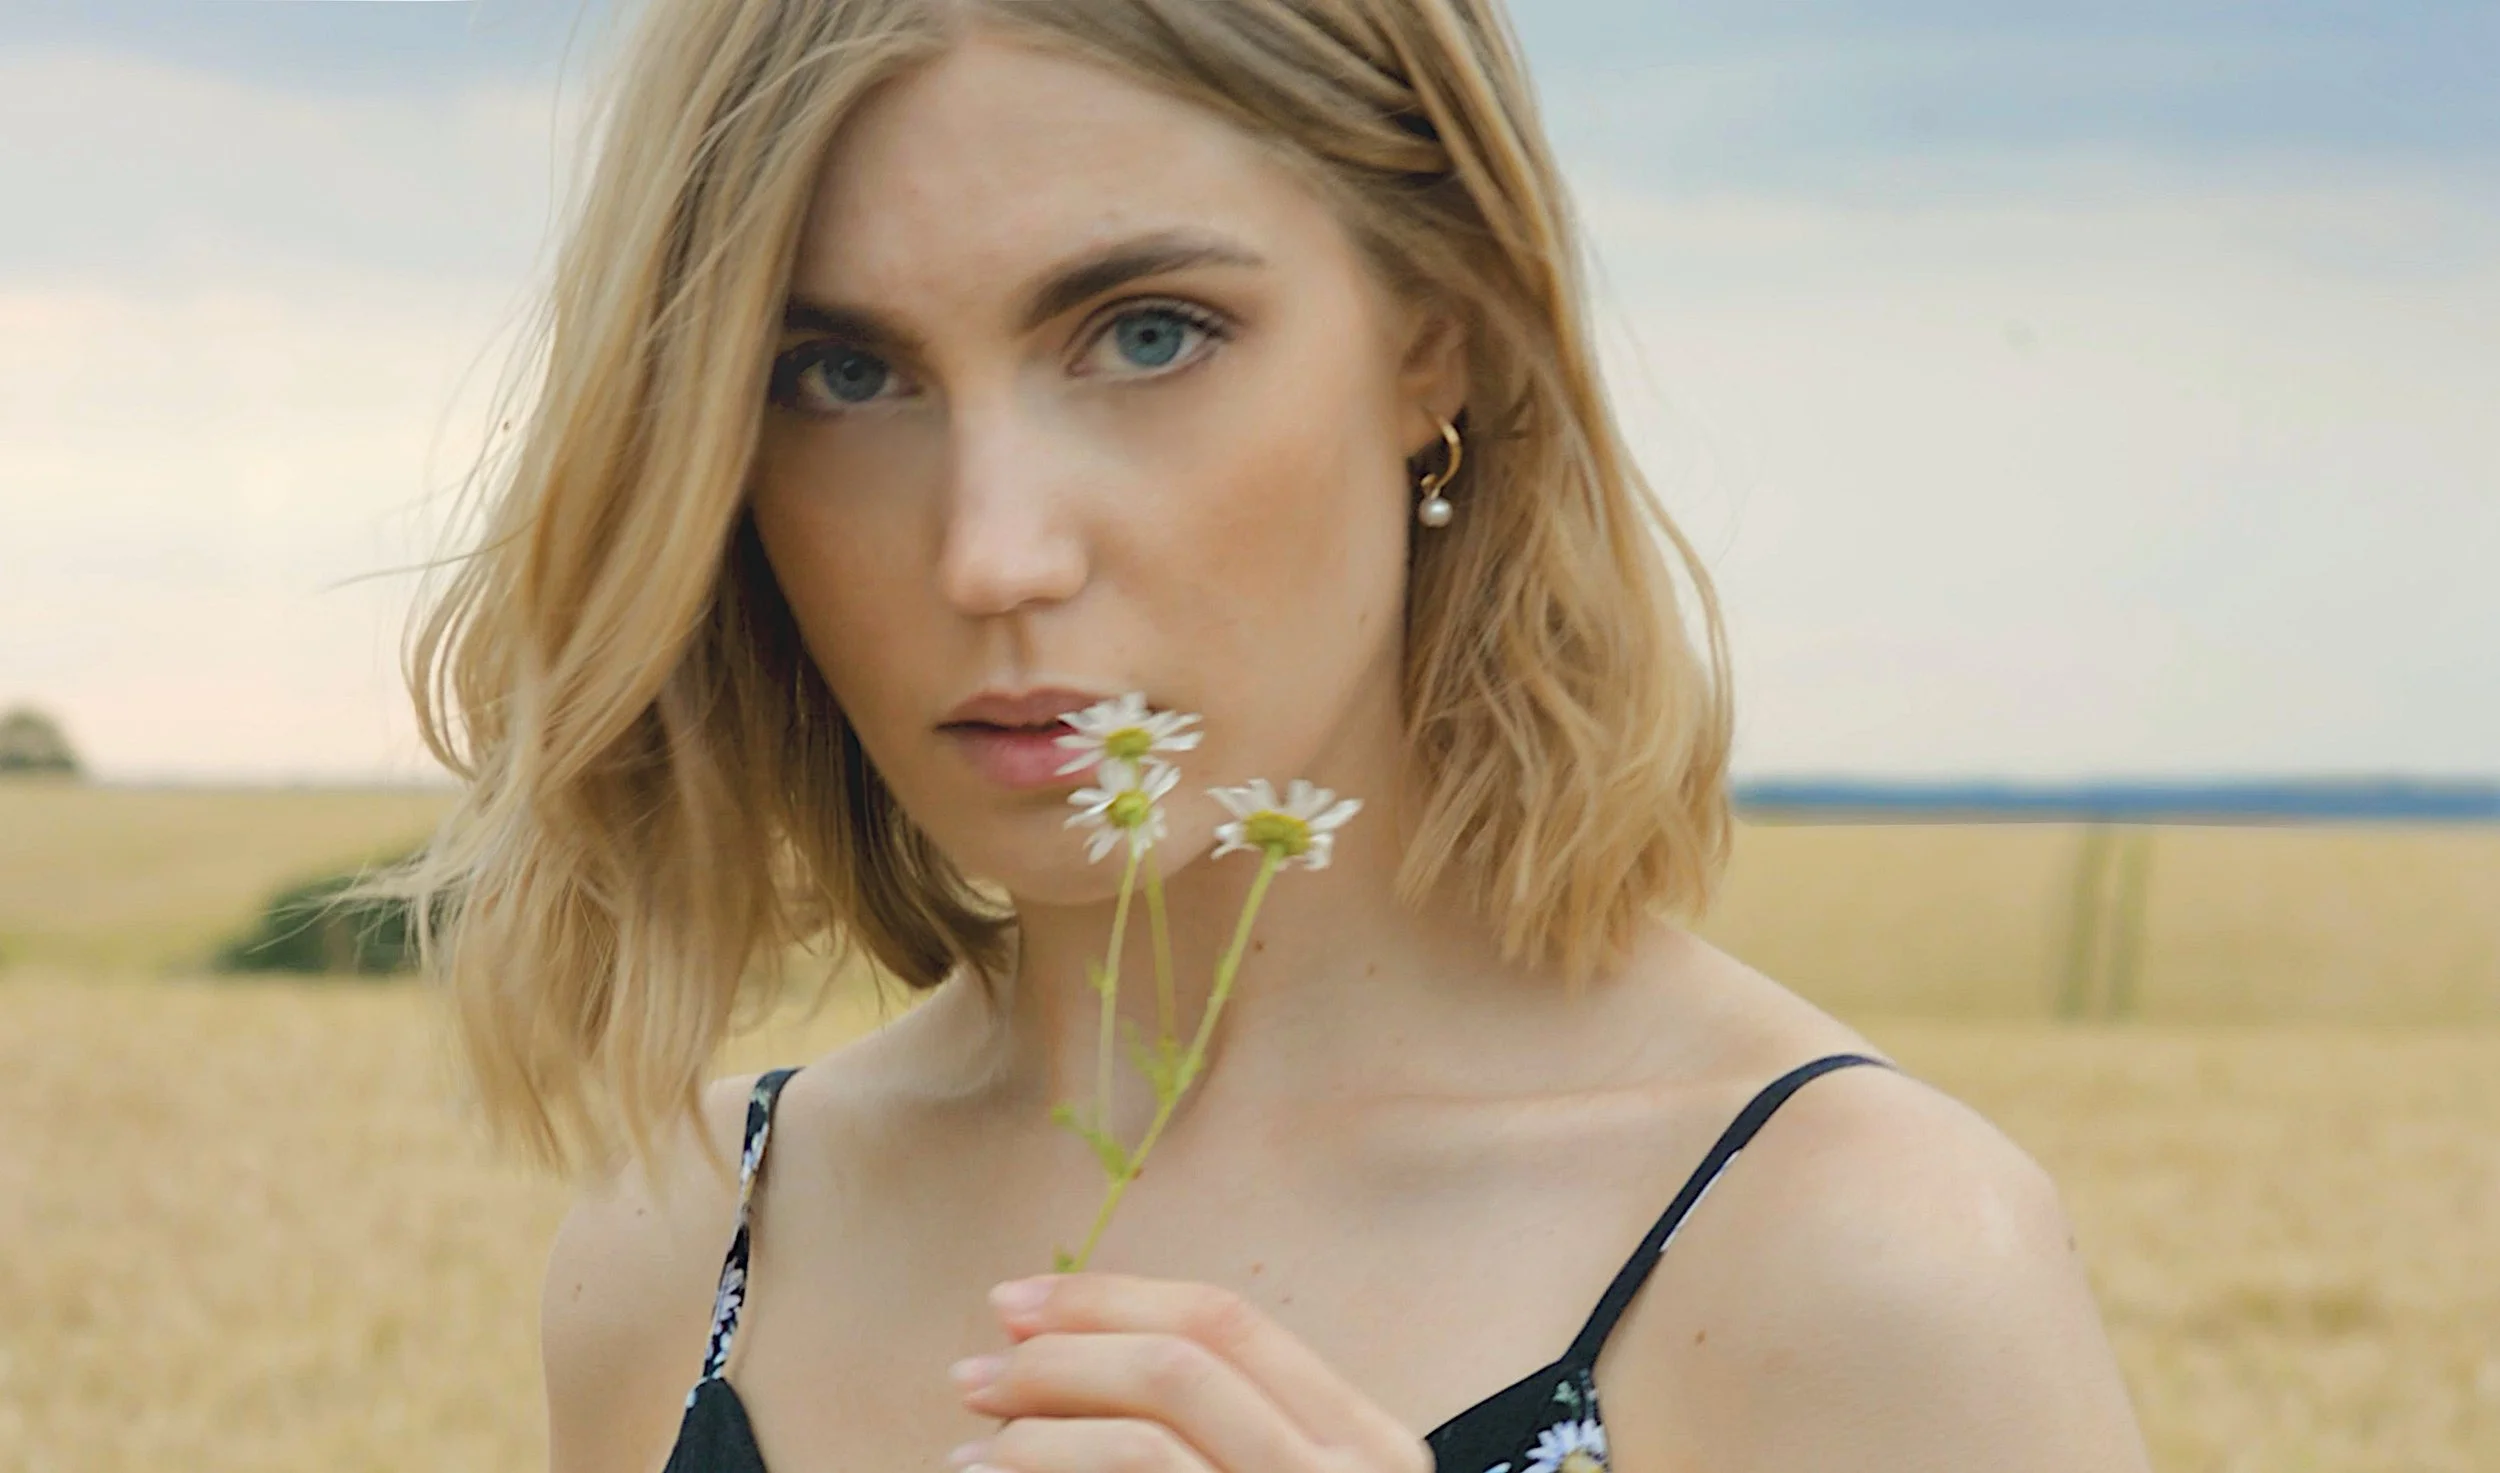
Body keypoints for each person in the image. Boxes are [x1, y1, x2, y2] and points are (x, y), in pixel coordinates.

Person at [395, 1, 2155, 1470]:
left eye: (1147, 335)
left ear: (1436, 338)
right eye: (844, 376)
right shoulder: (696, 1242)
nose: (991, 551)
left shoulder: (1857, 1264)